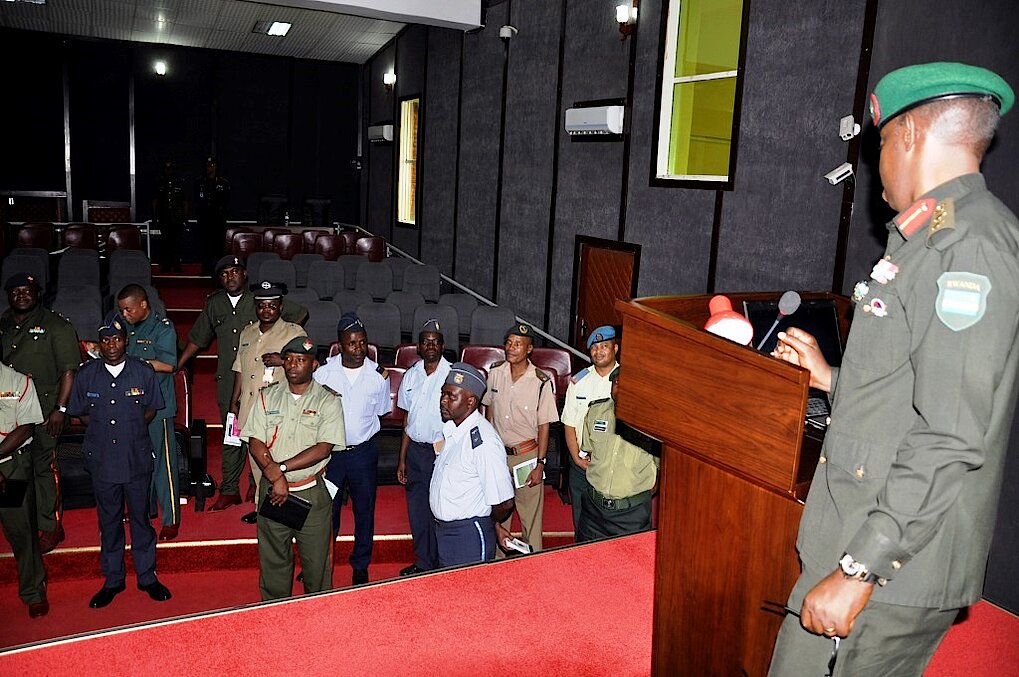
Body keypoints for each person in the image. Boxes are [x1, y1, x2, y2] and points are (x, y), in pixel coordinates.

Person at [768, 63, 1018, 676]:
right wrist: (831, 378)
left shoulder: (966, 246)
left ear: (906, 134)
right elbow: (917, 389)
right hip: (870, 531)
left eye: (879, 143)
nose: (878, 164)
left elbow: (949, 434)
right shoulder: (931, 236)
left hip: (889, 560)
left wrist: (860, 569)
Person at [178, 256, 307, 511]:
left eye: (235, 271)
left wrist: (283, 347)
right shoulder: (215, 303)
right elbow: (198, 337)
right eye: (224, 273)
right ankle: (229, 489)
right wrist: (179, 364)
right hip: (232, 379)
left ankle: (255, 482)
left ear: (245, 274)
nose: (230, 277)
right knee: (233, 435)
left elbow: (299, 316)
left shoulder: (260, 299)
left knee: (267, 436)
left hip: (267, 383)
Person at [67, 319, 172, 609]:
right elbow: (81, 414)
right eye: (106, 340)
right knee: (108, 520)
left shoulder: (143, 371)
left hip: (135, 457)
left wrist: (129, 429)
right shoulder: (87, 374)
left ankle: (147, 577)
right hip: (102, 460)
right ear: (99, 344)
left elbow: (151, 409)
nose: (111, 345)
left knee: (141, 519)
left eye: (117, 339)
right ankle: (113, 580)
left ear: (126, 341)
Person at [244, 336, 345, 601]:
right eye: (288, 359)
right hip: (273, 493)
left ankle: (317, 612)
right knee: (273, 561)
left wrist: (280, 469)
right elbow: (255, 440)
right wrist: (274, 475)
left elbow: (324, 448)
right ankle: (275, 611)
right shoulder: (267, 396)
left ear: (314, 365)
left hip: (310, 492)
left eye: (300, 360)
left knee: (317, 565)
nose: (292, 365)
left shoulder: (328, 401)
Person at [0, 272, 79, 553]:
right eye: (15, 291)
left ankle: (50, 525)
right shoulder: (4, 323)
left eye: (27, 290)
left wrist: (60, 409)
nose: (21, 295)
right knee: (12, 467)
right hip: (9, 410)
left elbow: (69, 370)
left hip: (45, 412)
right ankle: (18, 524)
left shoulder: (57, 326)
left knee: (44, 468)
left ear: (38, 294)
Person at [312, 312, 391, 585]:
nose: (359, 349)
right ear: (340, 344)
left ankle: (360, 564)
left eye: (363, 342)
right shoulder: (323, 373)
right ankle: (320, 561)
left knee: (364, 511)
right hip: (330, 455)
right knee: (326, 511)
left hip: (362, 454)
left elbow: (381, 412)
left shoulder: (378, 376)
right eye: (352, 343)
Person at [229, 280, 306, 523]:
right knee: (256, 462)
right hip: (250, 409)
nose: (266, 310)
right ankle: (262, 507)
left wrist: (283, 361)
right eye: (262, 305)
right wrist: (234, 402)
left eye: (272, 305)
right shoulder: (247, 332)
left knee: (278, 461)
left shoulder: (294, 333)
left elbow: (307, 364)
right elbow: (239, 369)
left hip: (279, 411)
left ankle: (284, 507)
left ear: (281, 307)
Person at [482, 323, 559, 555]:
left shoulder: (540, 381)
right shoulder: (496, 372)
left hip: (526, 456)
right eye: (508, 343)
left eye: (517, 344)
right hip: (498, 455)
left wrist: (540, 463)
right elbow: (489, 409)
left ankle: (533, 561)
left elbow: (544, 426)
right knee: (499, 512)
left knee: (530, 518)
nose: (511, 348)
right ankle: (497, 560)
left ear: (529, 349)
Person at [430, 362, 515, 567]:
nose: (443, 401)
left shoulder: (484, 442)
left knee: (471, 587)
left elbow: (504, 502)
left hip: (468, 536)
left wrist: (490, 523)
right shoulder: (453, 430)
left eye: (451, 396)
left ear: (470, 402)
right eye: (443, 394)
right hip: (445, 531)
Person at [113, 284, 180, 541]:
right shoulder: (123, 325)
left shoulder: (162, 328)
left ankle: (171, 518)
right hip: (129, 406)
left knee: (163, 464)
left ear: (143, 305)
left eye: (128, 309)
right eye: (122, 310)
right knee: (136, 462)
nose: (125, 314)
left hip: (157, 406)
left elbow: (169, 365)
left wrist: (133, 363)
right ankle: (145, 509)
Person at [395, 319, 452, 576]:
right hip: (416, 452)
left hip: (441, 452)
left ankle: (442, 562)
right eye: (425, 342)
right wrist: (402, 458)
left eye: (435, 342)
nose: (430, 346)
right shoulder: (411, 375)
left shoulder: (451, 375)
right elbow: (407, 420)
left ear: (443, 346)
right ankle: (423, 562)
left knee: (439, 508)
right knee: (417, 510)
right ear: (418, 346)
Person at [576, 367, 658, 541]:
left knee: (631, 558)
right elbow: (589, 449)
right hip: (593, 511)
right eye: (617, 382)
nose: (620, 388)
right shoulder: (595, 412)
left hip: (632, 515)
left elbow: (663, 467)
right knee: (586, 557)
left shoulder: (653, 422)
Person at [0, 361, 49, 618]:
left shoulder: (18, 381)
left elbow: (27, 427)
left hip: (11, 468)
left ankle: (33, 591)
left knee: (21, 532)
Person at [560, 325, 619, 534]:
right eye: (594, 347)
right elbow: (569, 423)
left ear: (615, 348)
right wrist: (577, 458)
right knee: (581, 518)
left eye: (604, 346)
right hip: (582, 464)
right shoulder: (579, 381)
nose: (598, 351)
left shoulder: (627, 379)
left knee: (611, 523)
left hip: (614, 466)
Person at [193, 156, 231, 274]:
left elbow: (227, 201)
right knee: (205, 245)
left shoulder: (223, 183)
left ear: (216, 167)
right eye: (207, 166)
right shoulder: (200, 182)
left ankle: (218, 269)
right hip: (204, 218)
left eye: (211, 165)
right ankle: (206, 268)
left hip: (218, 219)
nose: (209, 168)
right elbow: (196, 200)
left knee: (218, 246)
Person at [152, 160, 188, 273]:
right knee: (165, 242)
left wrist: (185, 217)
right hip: (164, 217)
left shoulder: (180, 182)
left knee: (177, 242)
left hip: (177, 217)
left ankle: (176, 264)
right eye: (167, 169)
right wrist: (155, 216)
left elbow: (185, 201)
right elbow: (156, 200)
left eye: (171, 169)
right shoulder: (160, 182)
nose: (169, 171)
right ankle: (166, 264)